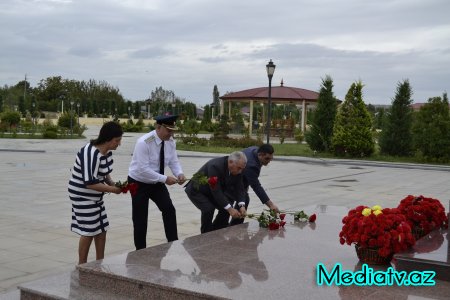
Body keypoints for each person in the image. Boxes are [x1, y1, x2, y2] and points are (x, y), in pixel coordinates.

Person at [68, 121, 124, 264]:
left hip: (94, 197)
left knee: (102, 227)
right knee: (89, 230)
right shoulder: (90, 153)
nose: (119, 144)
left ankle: (100, 263)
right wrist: (113, 189)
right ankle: (82, 265)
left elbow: (104, 173)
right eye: (117, 140)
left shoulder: (106, 152)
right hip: (82, 196)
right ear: (108, 139)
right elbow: (90, 183)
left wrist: (113, 183)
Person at [128, 115, 186, 250]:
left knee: (169, 209)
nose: (171, 134)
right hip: (139, 182)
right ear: (158, 127)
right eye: (169, 130)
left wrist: (179, 173)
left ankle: (173, 243)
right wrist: (165, 179)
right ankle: (140, 250)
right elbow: (143, 170)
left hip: (156, 182)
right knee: (140, 218)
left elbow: (173, 161)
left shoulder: (170, 141)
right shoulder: (144, 142)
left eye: (173, 131)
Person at [185, 151, 247, 233]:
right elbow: (216, 191)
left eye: (242, 169)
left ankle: (217, 232)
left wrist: (242, 205)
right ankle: (205, 235)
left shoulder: (238, 168)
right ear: (230, 162)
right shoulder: (215, 166)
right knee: (208, 209)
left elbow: (240, 188)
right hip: (197, 190)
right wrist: (230, 209)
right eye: (239, 168)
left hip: (211, 191)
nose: (240, 172)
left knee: (226, 208)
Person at [229, 144, 279, 226]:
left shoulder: (255, 150)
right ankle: (235, 227)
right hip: (231, 181)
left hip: (240, 178)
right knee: (241, 200)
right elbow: (256, 186)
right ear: (260, 155)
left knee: (243, 200)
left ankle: (234, 226)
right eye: (267, 158)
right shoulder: (251, 165)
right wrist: (271, 205)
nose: (269, 161)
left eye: (271, 158)